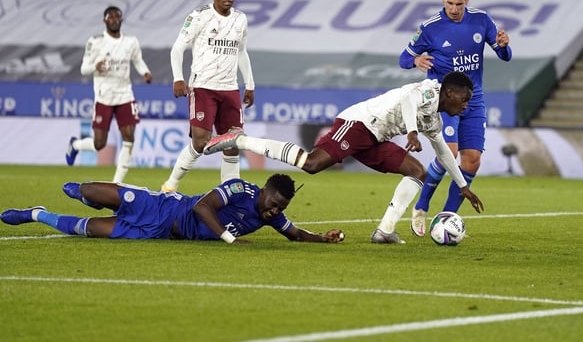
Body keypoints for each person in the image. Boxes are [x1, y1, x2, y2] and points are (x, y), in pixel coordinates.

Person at [203, 71, 485, 244]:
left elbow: (445, 154)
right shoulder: (428, 89)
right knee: (312, 164)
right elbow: (408, 100)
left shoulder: (434, 119)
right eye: (464, 100)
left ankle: (385, 231)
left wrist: (462, 186)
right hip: (359, 123)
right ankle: (240, 139)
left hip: (376, 138)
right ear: (449, 93)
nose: (466, 106)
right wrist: (411, 131)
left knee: (418, 172)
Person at [398, 0, 511, 237]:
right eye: (450, 3)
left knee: (472, 161)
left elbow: (504, 55)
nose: (454, 9)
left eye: (459, 4)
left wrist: (504, 46)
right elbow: (404, 58)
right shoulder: (430, 27)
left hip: (474, 99)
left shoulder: (481, 20)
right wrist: (415, 62)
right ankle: (421, 206)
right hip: (444, 102)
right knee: (448, 152)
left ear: (467, 0)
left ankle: (446, 218)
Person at [1, 173, 345, 244]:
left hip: (157, 232)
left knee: (87, 230)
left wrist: (323, 238)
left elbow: (296, 234)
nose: (274, 212)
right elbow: (202, 208)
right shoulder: (239, 189)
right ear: (265, 191)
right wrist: (229, 238)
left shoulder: (273, 215)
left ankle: (35, 214)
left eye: (280, 208)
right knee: (84, 190)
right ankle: (86, 194)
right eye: (273, 204)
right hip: (163, 208)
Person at [161, 0, 255, 193]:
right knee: (201, 143)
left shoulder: (241, 19)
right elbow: (177, 48)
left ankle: (229, 194)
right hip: (203, 87)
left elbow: (241, 52)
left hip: (230, 89)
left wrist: (249, 85)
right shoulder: (199, 16)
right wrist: (178, 78)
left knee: (232, 144)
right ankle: (171, 184)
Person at [65, 6, 152, 183]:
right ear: (104, 21)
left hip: (125, 95)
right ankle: (75, 145)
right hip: (104, 97)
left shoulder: (131, 42)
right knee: (99, 144)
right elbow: (83, 69)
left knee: (129, 138)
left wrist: (145, 72)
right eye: (110, 17)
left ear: (121, 20)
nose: (114, 19)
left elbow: (138, 60)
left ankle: (117, 183)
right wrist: (95, 66)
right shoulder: (95, 42)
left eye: (117, 17)